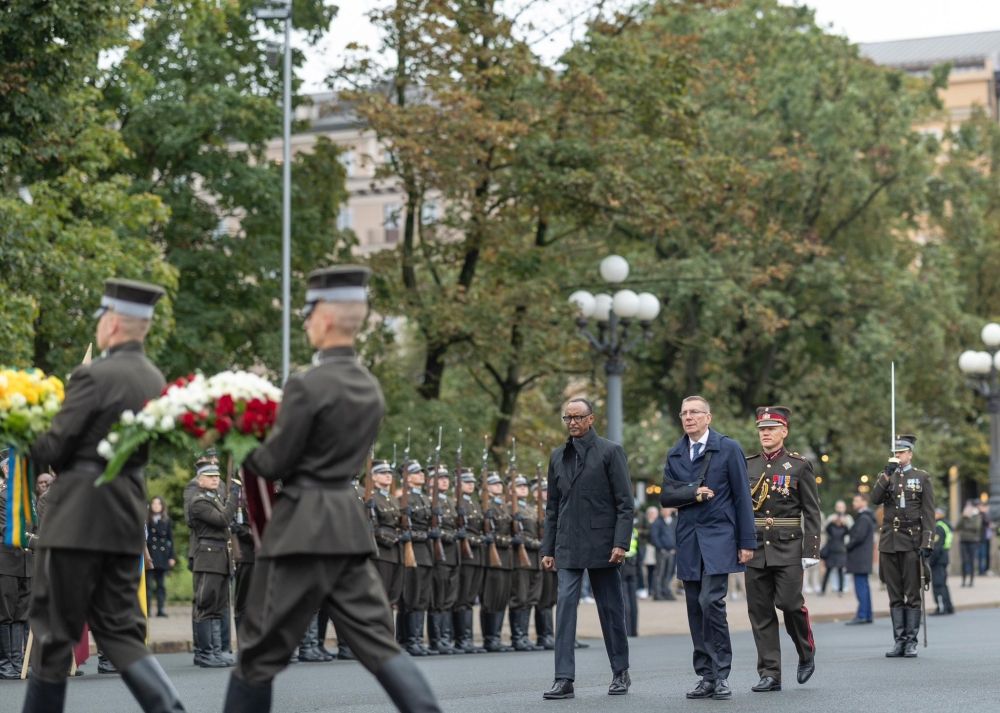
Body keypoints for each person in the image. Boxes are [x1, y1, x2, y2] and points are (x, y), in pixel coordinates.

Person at [221, 265, 441, 713]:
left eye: (307, 314)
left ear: (323, 316)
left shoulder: (307, 384)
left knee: (257, 656)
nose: (305, 324)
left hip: (301, 529)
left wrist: (236, 432)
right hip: (347, 526)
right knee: (381, 646)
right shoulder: (369, 387)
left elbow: (274, 463)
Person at [23, 278, 187, 712]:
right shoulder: (153, 377)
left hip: (78, 515)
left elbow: (54, 447)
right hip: (123, 514)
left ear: (112, 323)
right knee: (119, 629)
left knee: (53, 632)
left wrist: (21, 428)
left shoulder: (93, 375)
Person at [660, 395, 754, 701]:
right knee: (693, 606)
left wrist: (746, 542)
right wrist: (693, 493)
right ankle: (705, 675)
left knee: (711, 602)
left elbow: (742, 497)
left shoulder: (728, 448)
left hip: (719, 537)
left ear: (708, 417)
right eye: (684, 413)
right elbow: (666, 496)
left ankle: (721, 673)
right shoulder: (676, 453)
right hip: (688, 539)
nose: (689, 417)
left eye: (695, 412)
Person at [540, 398, 633, 700]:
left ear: (592, 419)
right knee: (565, 609)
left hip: (604, 546)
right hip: (567, 544)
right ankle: (563, 678)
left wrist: (621, 543)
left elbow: (624, 504)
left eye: (578, 417)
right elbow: (552, 507)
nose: (573, 423)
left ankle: (620, 671)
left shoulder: (610, 451)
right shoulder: (557, 456)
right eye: (568, 418)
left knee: (610, 610)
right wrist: (547, 548)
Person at [742, 407, 821, 693]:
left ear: (784, 431)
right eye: (762, 429)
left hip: (788, 546)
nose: (765, 433)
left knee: (789, 604)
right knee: (760, 612)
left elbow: (812, 511)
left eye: (772, 428)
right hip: (755, 547)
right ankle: (770, 673)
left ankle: (805, 651)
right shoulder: (747, 465)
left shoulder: (799, 466)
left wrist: (811, 549)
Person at [870, 434, 934, 658]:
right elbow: (875, 499)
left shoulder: (921, 477)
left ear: (910, 454)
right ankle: (899, 641)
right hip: (889, 542)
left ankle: (911, 641)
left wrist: (927, 542)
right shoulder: (886, 476)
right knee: (894, 593)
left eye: (901, 452)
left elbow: (928, 514)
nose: (897, 455)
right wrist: (886, 474)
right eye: (895, 452)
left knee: (912, 594)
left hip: (911, 542)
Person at [189, 462, 238, 668]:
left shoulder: (214, 498)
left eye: (217, 476)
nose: (215, 479)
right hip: (208, 559)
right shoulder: (199, 502)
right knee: (206, 606)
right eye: (210, 476)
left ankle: (216, 651)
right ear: (200, 480)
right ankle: (205, 653)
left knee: (218, 608)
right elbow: (222, 519)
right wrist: (235, 497)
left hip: (220, 558)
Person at [0, 448, 32, 680]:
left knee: (22, 615)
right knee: (5, 614)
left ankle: (17, 662)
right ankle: (5, 664)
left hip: (27, 564)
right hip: (6, 563)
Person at [398, 460, 434, 657]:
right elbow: (408, 528)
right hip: (413, 553)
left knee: (421, 598)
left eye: (421, 472)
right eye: (416, 473)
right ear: (407, 477)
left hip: (425, 553)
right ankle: (408, 640)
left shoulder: (424, 498)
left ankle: (417, 639)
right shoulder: (405, 498)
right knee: (411, 597)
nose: (421, 475)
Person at [452, 467, 486, 654]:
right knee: (462, 598)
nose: (471, 485)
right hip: (466, 557)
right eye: (467, 482)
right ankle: (460, 639)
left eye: (472, 482)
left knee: (470, 599)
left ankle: (467, 638)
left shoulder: (473, 503)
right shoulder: (458, 503)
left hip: (477, 555)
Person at [508, 475, 543, 651]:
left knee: (530, 599)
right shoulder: (510, 509)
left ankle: (524, 636)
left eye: (524, 486)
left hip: (535, 559)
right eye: (518, 486)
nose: (523, 488)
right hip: (521, 560)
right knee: (520, 598)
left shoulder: (531, 509)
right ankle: (517, 637)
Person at [480, 472, 514, 653]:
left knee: (502, 598)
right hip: (493, 558)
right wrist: (506, 541)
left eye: (499, 484)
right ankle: (489, 638)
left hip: (506, 559)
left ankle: (497, 636)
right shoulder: (487, 506)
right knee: (491, 598)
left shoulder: (505, 507)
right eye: (494, 484)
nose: (498, 486)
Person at [428, 465, 459, 655]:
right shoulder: (430, 502)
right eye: (440, 478)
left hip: (452, 555)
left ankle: (446, 638)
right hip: (439, 556)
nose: (445, 481)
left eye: (446, 478)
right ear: (430, 481)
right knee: (438, 598)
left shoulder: (449, 502)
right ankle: (436, 639)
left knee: (449, 599)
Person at [844, 493, 876, 625]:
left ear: (864, 502)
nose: (854, 503)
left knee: (861, 587)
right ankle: (867, 614)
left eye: (856, 501)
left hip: (859, 557)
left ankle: (862, 614)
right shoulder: (867, 517)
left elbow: (858, 537)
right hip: (863, 557)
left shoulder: (863, 518)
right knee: (864, 586)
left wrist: (847, 545)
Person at [532, 479, 557, 651]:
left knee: (551, 598)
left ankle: (549, 634)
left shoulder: (553, 509)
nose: (545, 493)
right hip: (538, 559)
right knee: (543, 599)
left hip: (555, 557)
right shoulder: (533, 511)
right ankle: (544, 635)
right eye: (542, 490)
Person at [145, 496, 175, 619]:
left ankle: (161, 609)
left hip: (162, 556)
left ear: (162, 506)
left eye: (158, 504)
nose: (156, 506)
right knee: (148, 585)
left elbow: (170, 539)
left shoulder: (166, 520)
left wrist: (172, 556)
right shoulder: (147, 520)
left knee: (161, 585)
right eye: (154, 503)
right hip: (150, 556)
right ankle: (147, 609)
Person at [929, 508, 954, 615]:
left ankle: (941, 607)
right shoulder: (945, 525)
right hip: (944, 558)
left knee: (938, 584)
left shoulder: (938, 526)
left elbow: (936, 547)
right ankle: (948, 606)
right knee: (943, 584)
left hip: (938, 560)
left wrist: (931, 560)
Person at [651, 507, 677, 600]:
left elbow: (677, 535)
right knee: (659, 572)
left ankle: (666, 591)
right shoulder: (657, 522)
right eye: (663, 510)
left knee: (669, 572)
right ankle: (657, 593)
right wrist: (661, 548)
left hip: (672, 552)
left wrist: (675, 548)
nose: (665, 511)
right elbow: (654, 537)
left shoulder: (674, 522)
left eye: (667, 510)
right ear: (661, 511)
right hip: (661, 551)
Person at [820, 509, 848, 595]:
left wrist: (844, 523)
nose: (839, 519)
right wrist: (832, 521)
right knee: (828, 571)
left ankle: (840, 590)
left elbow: (849, 531)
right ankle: (823, 590)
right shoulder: (831, 526)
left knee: (840, 572)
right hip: (831, 551)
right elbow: (826, 528)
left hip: (840, 552)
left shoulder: (844, 527)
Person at [957, 501, 981, 587]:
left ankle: (971, 581)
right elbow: (957, 527)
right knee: (964, 561)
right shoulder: (963, 517)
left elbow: (976, 527)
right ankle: (963, 580)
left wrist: (968, 520)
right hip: (963, 541)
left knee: (971, 561)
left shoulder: (976, 516)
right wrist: (963, 517)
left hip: (973, 541)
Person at [976, 501, 992, 575]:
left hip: (985, 537)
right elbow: (987, 522)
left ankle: (984, 569)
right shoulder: (980, 515)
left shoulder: (985, 514)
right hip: (980, 538)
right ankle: (981, 570)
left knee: (984, 555)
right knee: (981, 555)